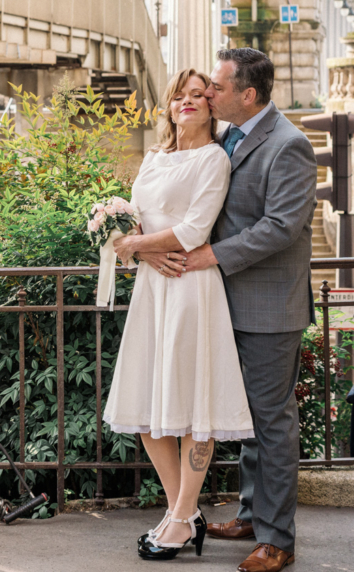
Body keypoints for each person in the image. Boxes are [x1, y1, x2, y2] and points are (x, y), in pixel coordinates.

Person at [143, 48, 318, 572]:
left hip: (267, 307)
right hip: (216, 302)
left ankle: (277, 540)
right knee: (239, 418)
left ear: (247, 94)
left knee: (271, 423)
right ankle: (249, 516)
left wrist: (207, 256)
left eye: (217, 87)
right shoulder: (226, 139)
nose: (208, 94)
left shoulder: (290, 145)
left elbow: (281, 226)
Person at [103, 68, 254, 562]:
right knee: (148, 410)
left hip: (190, 287)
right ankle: (182, 514)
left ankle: (180, 518)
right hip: (153, 287)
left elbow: (195, 229)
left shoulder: (214, 159)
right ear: (169, 106)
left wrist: (133, 245)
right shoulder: (152, 157)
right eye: (179, 96)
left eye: (198, 96)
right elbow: (137, 224)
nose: (187, 102)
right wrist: (139, 251)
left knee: (194, 408)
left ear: (211, 107)